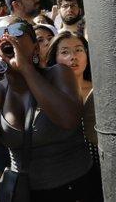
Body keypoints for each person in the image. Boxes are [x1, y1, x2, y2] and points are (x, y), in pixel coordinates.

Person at [0, 17, 99, 201]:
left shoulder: (58, 74)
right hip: (25, 194)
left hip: (74, 189)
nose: (6, 37)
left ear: (35, 48)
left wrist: (26, 69)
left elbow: (68, 119)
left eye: (16, 31)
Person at [46, 31, 103, 200]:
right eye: (64, 52)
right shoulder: (49, 94)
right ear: (54, 58)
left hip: (104, 163)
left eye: (79, 50)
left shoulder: (101, 88)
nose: (73, 57)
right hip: (69, 174)